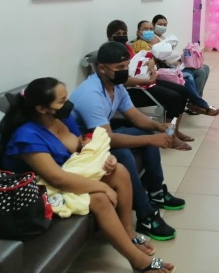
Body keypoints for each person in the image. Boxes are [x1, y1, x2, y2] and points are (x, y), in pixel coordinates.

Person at [0, 78, 176, 273]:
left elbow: (81, 146)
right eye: (62, 101)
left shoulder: (62, 119)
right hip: (39, 191)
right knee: (99, 198)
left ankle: (128, 233)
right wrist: (102, 187)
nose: (68, 104)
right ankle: (139, 262)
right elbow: (56, 178)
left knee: (119, 171)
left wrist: (104, 158)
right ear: (42, 109)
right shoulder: (27, 136)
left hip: (68, 173)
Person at [71, 41, 185, 241]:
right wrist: (152, 139)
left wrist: (158, 127)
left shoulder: (116, 86)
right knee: (124, 152)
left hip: (100, 137)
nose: (124, 71)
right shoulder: (90, 95)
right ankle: (145, 215)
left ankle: (156, 192)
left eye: (126, 66)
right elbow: (108, 140)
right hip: (82, 147)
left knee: (146, 133)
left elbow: (135, 116)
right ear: (102, 68)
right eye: (119, 68)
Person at [106, 20, 198, 150]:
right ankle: (169, 136)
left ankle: (175, 131)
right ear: (110, 36)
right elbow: (124, 80)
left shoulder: (127, 48)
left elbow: (138, 62)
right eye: (117, 34)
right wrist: (148, 81)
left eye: (124, 33)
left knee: (183, 91)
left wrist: (150, 63)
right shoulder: (110, 54)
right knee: (174, 98)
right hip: (133, 90)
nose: (121, 36)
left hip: (145, 81)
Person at [131, 20, 219, 117]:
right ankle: (201, 104)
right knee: (188, 76)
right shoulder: (140, 44)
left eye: (151, 29)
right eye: (145, 29)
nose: (149, 31)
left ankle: (195, 102)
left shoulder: (156, 41)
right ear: (138, 32)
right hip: (159, 72)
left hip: (169, 67)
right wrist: (160, 59)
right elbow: (149, 62)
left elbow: (165, 56)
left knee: (203, 69)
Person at [152, 14, 211, 97]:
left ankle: (198, 96)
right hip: (170, 66)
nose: (162, 27)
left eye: (165, 25)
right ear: (153, 24)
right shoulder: (153, 38)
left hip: (178, 63)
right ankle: (194, 99)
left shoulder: (163, 37)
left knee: (206, 67)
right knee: (201, 72)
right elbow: (159, 57)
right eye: (160, 24)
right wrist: (177, 63)